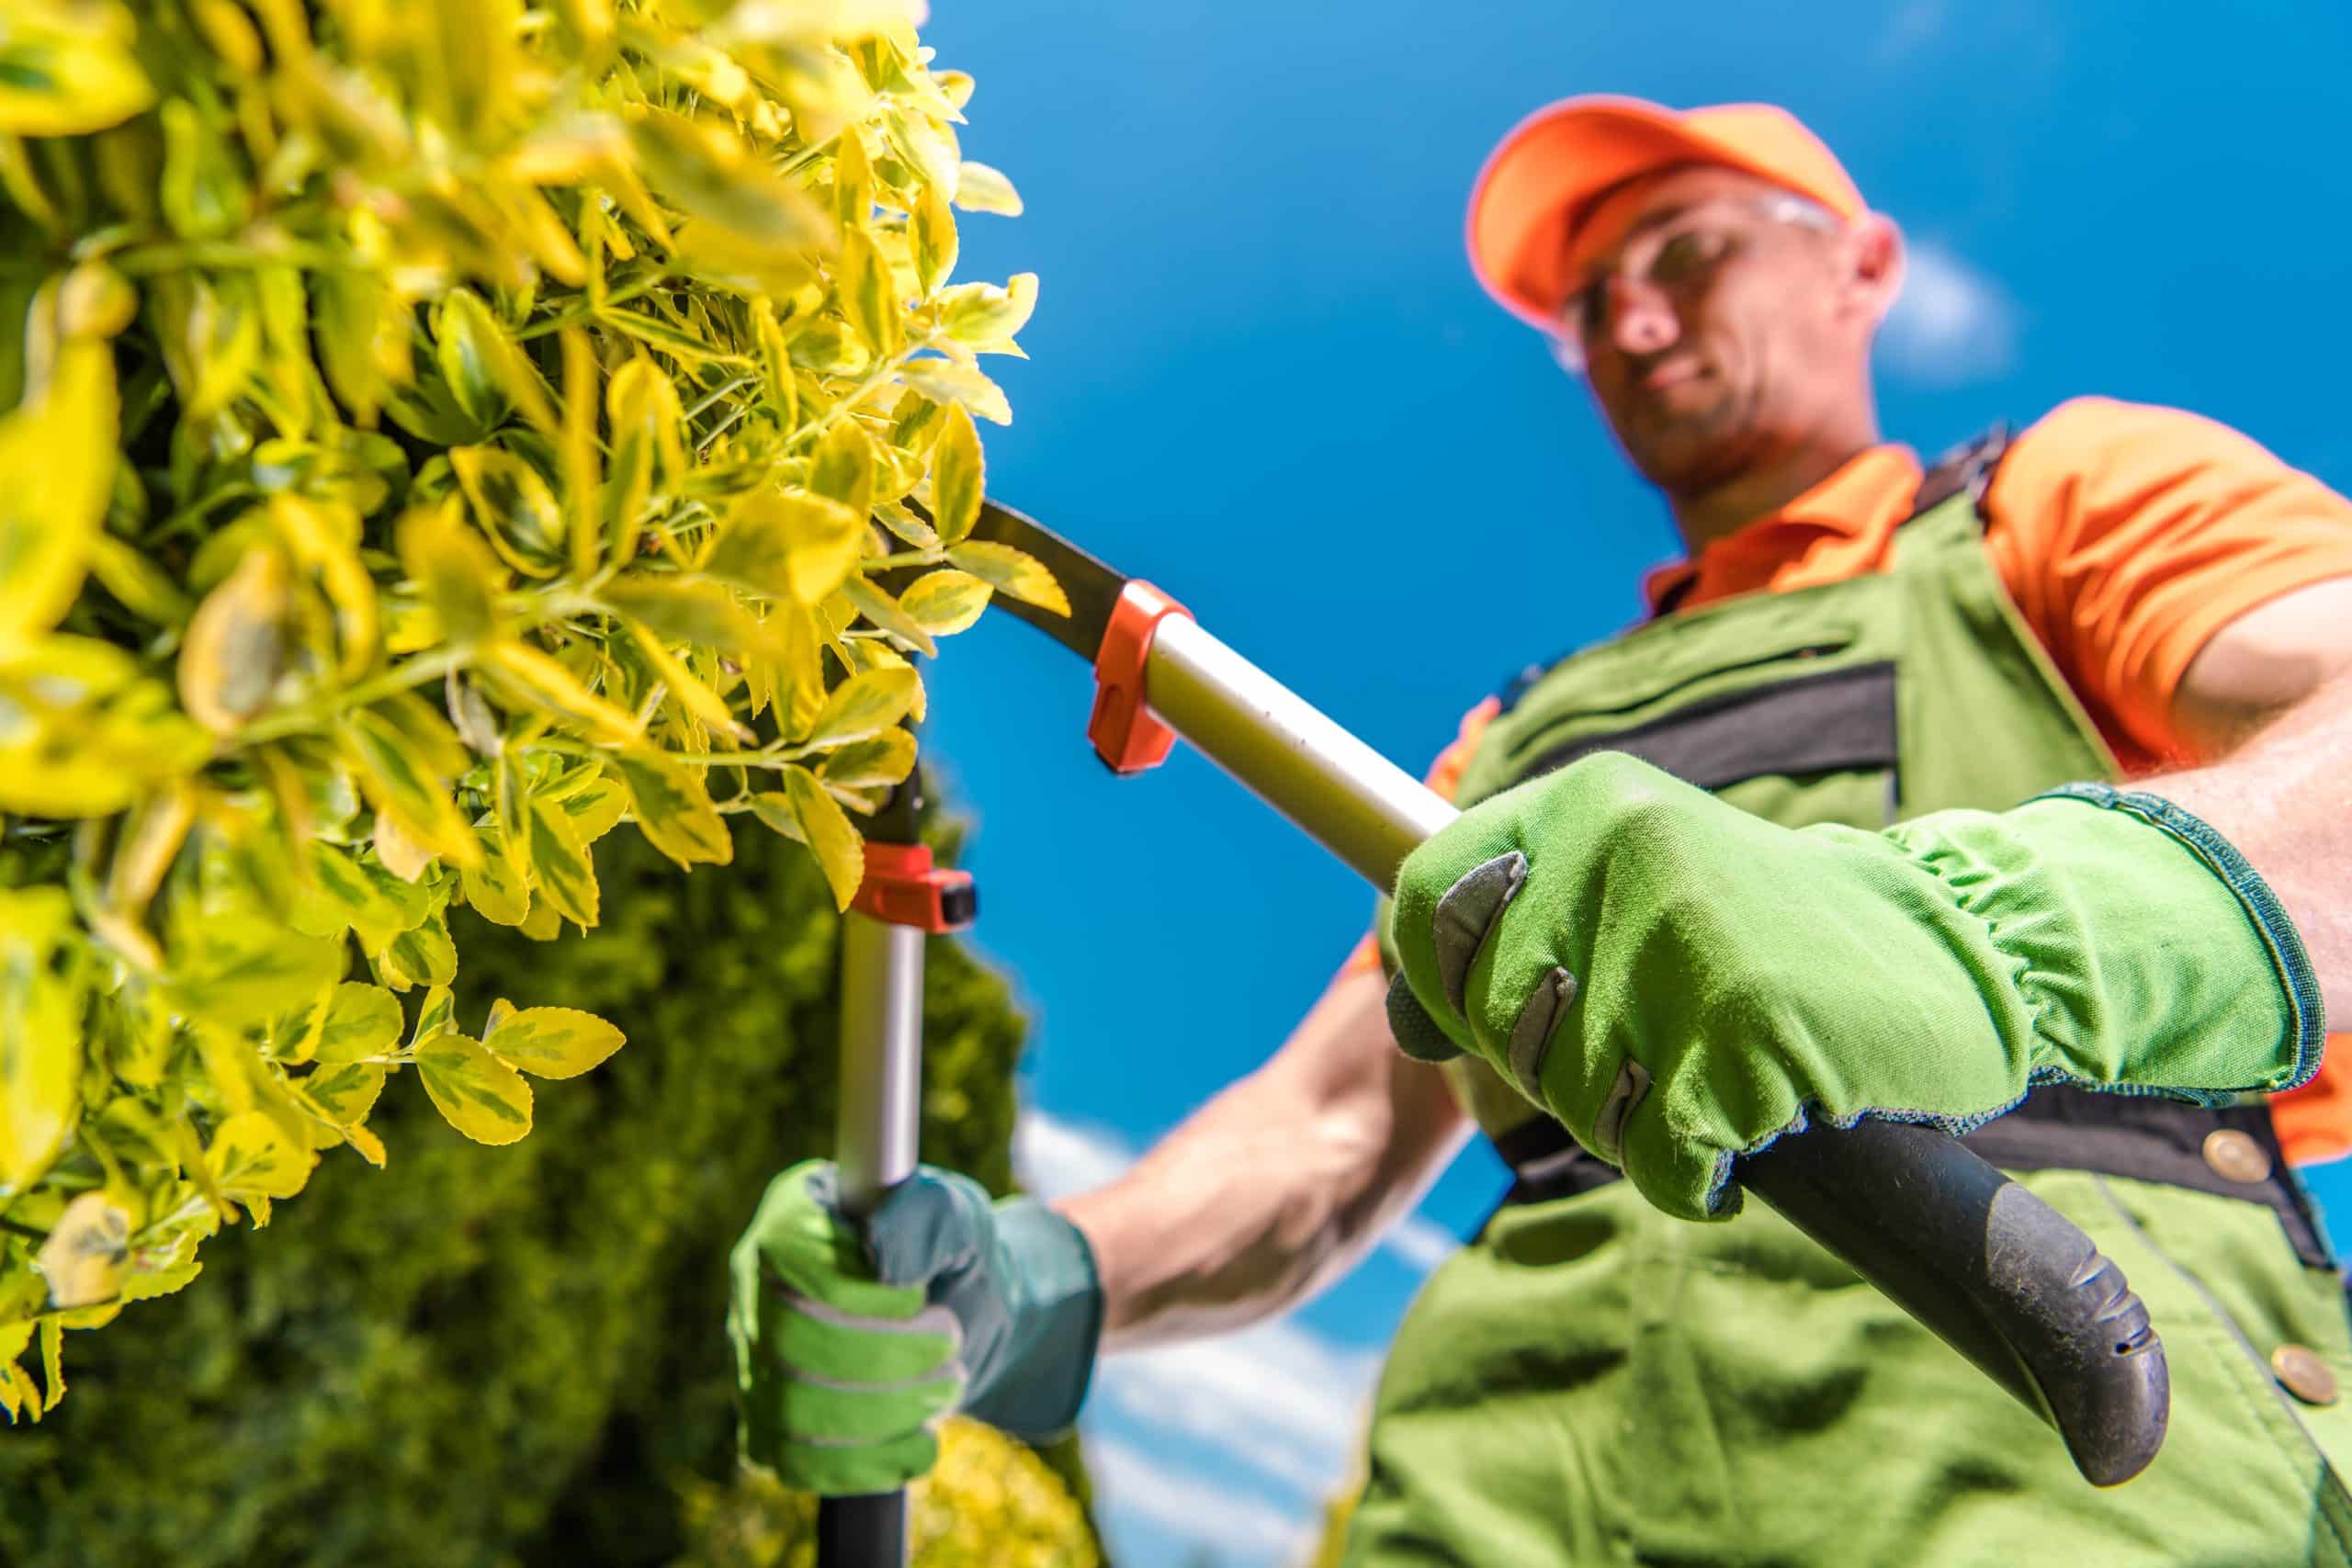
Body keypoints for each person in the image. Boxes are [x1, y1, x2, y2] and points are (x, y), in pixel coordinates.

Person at [729, 97, 2352, 1564]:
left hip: (2044, 1459)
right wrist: (1031, 1280)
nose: (1633, 322)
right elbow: (1330, 1132)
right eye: (1588, 313)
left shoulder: (2050, 507)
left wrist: (1992, 937)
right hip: (1509, 1491)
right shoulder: (1516, 738)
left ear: (1861, 268)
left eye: (1689, 253)